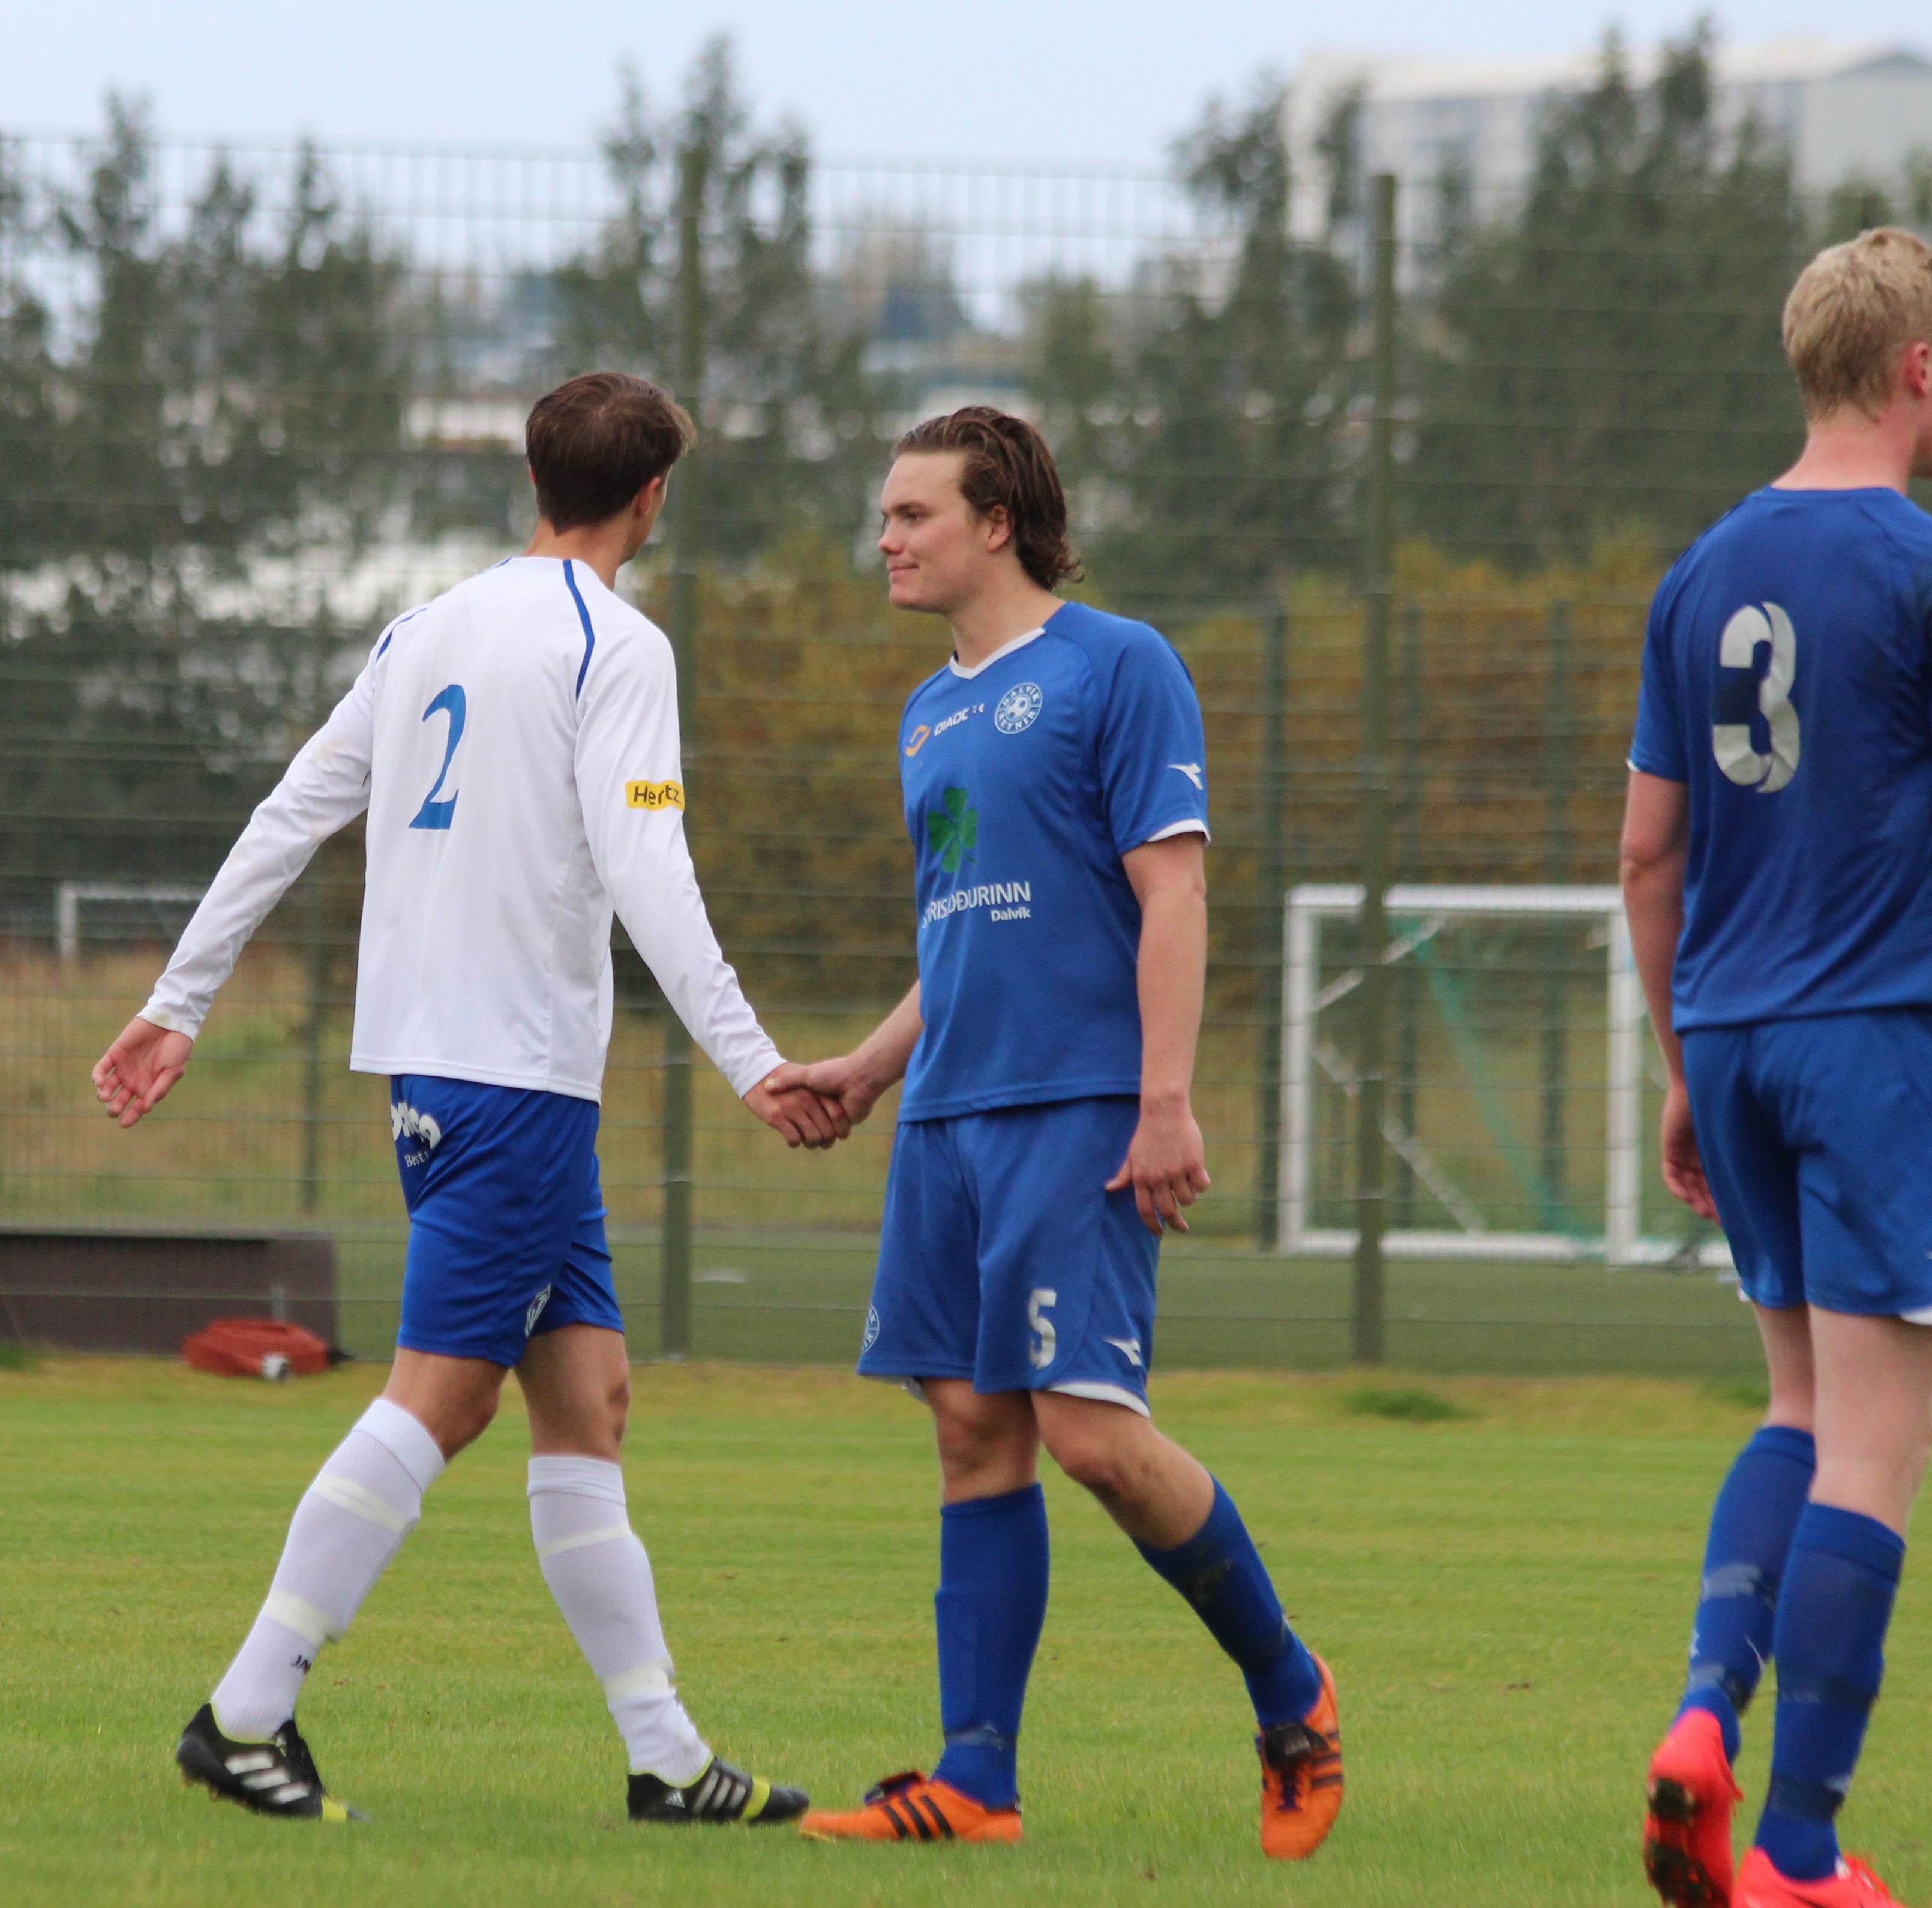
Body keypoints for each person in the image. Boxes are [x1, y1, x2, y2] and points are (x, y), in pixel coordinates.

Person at [94, 371, 841, 1826]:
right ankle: (244, 1714)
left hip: (443, 1070)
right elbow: (647, 868)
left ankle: (666, 1760)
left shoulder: (425, 626)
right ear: (653, 499)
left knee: (589, 1400)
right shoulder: (616, 645)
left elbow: (293, 811)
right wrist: (753, 1058)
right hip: (515, 1080)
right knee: (442, 1399)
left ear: (534, 480)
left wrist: (179, 999)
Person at [780, 410, 1340, 1855]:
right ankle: (976, 1783)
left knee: (1090, 1435)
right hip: (949, 1118)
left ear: (998, 524)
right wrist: (872, 1070)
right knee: (974, 1435)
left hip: (1078, 1110)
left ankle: (1292, 1693)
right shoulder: (927, 714)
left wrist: (1165, 1101)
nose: (887, 538)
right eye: (885, 515)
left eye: (913, 514)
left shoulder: (1118, 666)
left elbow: (1173, 895)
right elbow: (961, 933)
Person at [1628, 229, 1932, 1908]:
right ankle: (1797, 1853)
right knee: (1877, 1447)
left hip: (1734, 1037)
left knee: (1797, 1410)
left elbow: (1646, 858)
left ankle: (1699, 1717)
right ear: (1917, 368)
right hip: (1879, 1042)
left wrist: (1683, 1061)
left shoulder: (1696, 575)